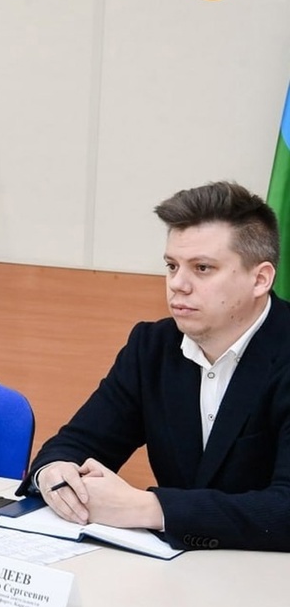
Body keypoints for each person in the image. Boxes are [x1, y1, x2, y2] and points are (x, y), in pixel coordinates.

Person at [23, 181, 290, 552]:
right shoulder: (152, 347)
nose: (178, 284)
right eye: (171, 266)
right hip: (175, 569)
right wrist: (54, 473)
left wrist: (150, 508)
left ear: (260, 279)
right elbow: (77, 443)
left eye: (202, 268)